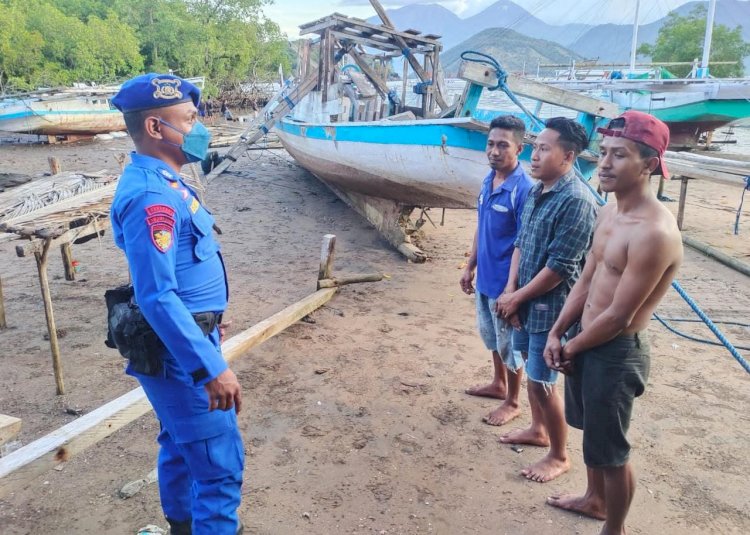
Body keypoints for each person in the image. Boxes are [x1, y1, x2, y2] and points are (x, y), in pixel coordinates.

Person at [110, 73, 244, 535]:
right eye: (189, 119)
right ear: (154, 128)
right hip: (182, 358)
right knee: (219, 469)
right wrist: (209, 366)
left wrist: (210, 325)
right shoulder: (152, 196)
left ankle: (183, 529)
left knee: (180, 447)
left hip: (188, 341)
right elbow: (157, 295)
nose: (199, 126)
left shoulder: (165, 181)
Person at [545, 111, 683, 534]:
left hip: (615, 350)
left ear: (649, 164)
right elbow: (586, 279)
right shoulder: (608, 214)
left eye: (619, 155)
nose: (604, 163)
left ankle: (614, 528)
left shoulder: (654, 232)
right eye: (603, 153)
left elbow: (620, 315)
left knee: (612, 451)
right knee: (591, 435)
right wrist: (557, 331)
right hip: (584, 340)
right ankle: (593, 499)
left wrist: (571, 346)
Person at [497, 117, 597, 483]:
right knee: (531, 372)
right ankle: (538, 429)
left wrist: (517, 297)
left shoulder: (576, 201)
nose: (534, 156)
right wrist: (511, 292)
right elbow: (521, 243)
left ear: (568, 156)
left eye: (544, 149)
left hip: (551, 310)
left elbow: (560, 267)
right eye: (535, 148)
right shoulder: (539, 191)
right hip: (522, 302)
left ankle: (559, 454)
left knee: (544, 380)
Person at [460, 115, 533, 426]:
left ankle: (514, 400)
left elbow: (524, 243)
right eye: (490, 144)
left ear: (519, 148)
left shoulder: (523, 189)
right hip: (485, 279)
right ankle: (498, 382)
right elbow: (482, 226)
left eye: (503, 145)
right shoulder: (488, 181)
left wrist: (512, 291)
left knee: (510, 345)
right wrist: (469, 265)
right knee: (491, 337)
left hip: (506, 285)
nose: (494, 151)